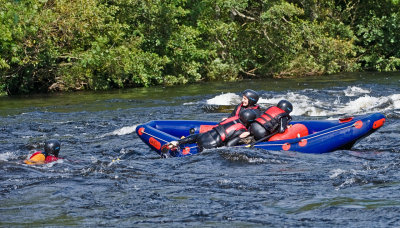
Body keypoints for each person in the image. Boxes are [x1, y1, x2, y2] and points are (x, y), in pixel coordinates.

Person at [162, 109, 258, 156]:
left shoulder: (232, 119)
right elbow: (229, 145)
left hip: (202, 136)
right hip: (209, 145)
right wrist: (240, 137)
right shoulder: (241, 130)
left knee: (196, 137)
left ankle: (177, 142)